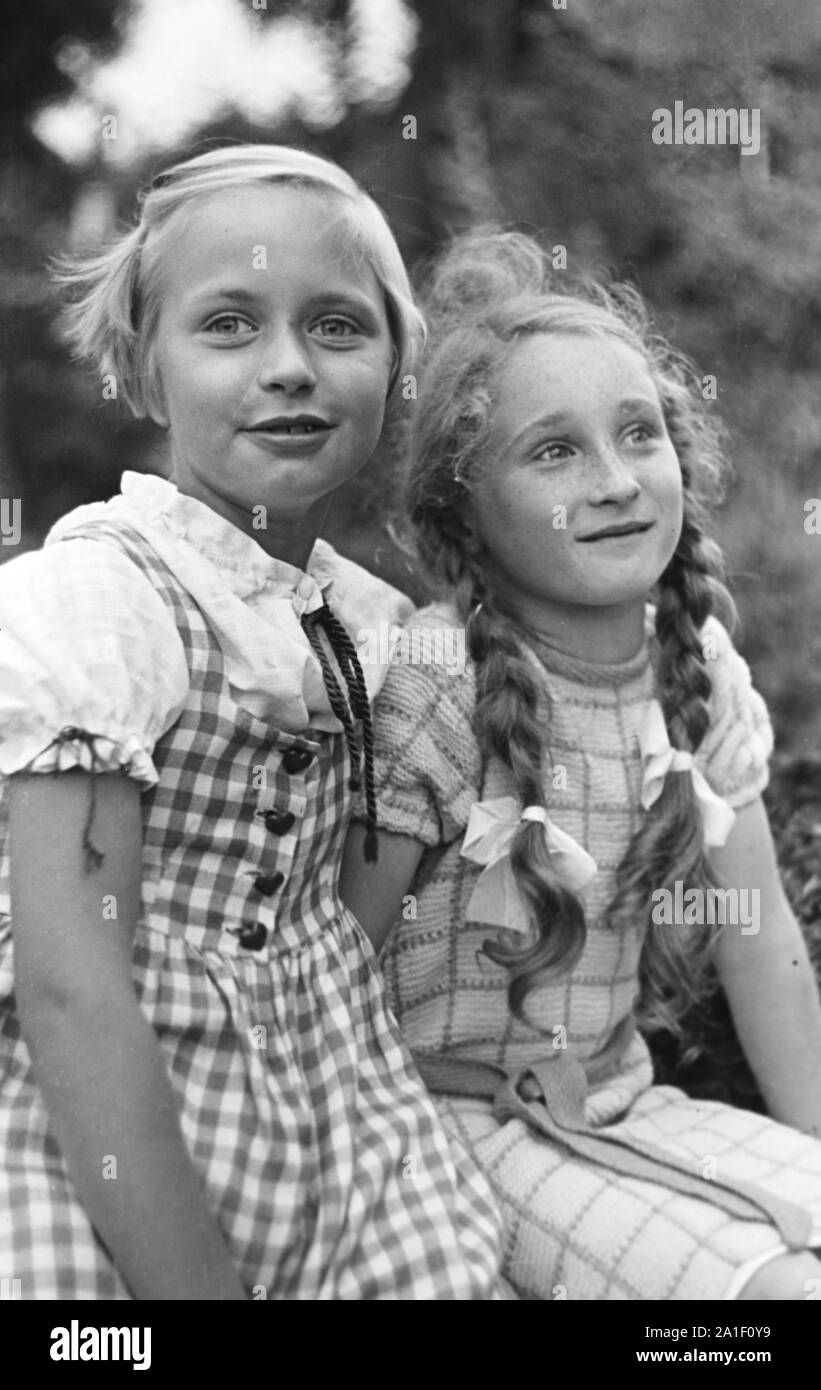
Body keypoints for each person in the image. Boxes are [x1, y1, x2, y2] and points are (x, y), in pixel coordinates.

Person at [0, 147, 503, 1300]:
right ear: (141, 367)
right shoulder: (101, 600)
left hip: (344, 1130)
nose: (288, 368)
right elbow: (72, 983)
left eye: (336, 327)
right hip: (98, 1139)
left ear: (394, 364)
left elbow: (350, 914)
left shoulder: (370, 631)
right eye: (227, 325)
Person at [341, 230, 821, 1300]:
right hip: (453, 1134)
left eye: (637, 434)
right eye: (551, 451)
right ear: (462, 507)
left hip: (621, 1100)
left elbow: (761, 944)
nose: (611, 482)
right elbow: (335, 970)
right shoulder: (433, 683)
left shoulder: (695, 669)